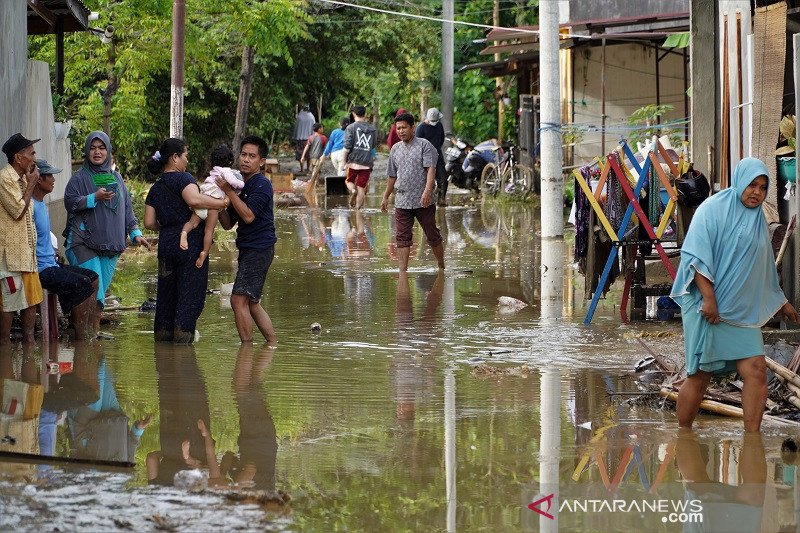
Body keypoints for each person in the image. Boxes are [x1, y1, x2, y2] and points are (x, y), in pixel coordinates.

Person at [670, 157, 800, 433]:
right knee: (700, 376)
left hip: (739, 311)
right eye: (752, 185)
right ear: (740, 181)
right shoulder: (712, 209)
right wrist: (708, 298)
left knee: (756, 371)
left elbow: (762, 266)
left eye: (763, 187)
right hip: (707, 306)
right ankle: (684, 437)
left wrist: (781, 301)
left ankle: (752, 440)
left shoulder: (757, 219)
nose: (757, 192)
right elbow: (695, 256)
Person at [63, 131, 150, 335]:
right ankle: (85, 340)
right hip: (82, 242)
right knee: (92, 293)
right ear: (86, 151)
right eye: (92, 148)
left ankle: (90, 339)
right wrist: (94, 197)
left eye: (101, 148)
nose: (97, 152)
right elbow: (70, 202)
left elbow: (126, 208)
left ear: (108, 151)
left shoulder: (116, 178)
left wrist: (135, 233)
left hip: (111, 245)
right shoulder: (79, 179)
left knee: (98, 298)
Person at [144, 138, 228, 343]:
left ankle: (163, 341)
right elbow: (194, 200)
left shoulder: (155, 188)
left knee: (166, 294)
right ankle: (182, 346)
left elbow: (149, 222)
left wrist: (169, 227)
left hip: (166, 243)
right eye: (185, 156)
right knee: (189, 295)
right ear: (174, 158)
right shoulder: (184, 179)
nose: (187, 161)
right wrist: (222, 202)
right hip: (189, 243)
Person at [217, 135, 278, 344]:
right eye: (243, 155)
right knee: (252, 302)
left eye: (252, 156)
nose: (246, 160)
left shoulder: (261, 184)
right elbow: (227, 223)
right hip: (249, 247)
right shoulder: (241, 186)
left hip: (259, 247)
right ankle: (271, 344)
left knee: (237, 299)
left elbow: (249, 216)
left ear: (261, 162)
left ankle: (247, 349)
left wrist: (228, 192)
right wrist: (216, 201)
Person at [32, 158, 99, 340]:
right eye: (50, 176)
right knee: (82, 284)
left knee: (93, 278)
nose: (53, 180)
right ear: (39, 179)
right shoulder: (30, 206)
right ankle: (79, 337)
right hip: (42, 269)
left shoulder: (41, 205)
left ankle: (86, 328)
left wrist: (53, 251)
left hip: (51, 264)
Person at [381, 112, 445, 272]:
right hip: (402, 201)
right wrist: (385, 197)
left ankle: (441, 265)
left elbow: (431, 169)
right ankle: (402, 271)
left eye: (404, 128)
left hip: (423, 201)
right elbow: (392, 176)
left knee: (432, 234)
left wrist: (427, 191)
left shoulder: (424, 145)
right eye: (398, 128)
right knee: (402, 237)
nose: (401, 131)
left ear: (413, 128)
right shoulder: (395, 149)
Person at [0, 133, 44, 345]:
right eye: (31, 153)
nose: (34, 158)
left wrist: (29, 182)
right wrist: (31, 184)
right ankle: (5, 356)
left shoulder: (24, 178)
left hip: (27, 254)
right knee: (9, 303)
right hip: (10, 257)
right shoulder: (5, 178)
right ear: (18, 158)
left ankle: (29, 354)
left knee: (32, 300)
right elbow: (18, 210)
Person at [179, 145, 244, 268]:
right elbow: (235, 183)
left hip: (203, 200)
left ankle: (184, 233)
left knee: (192, 223)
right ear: (230, 161)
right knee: (208, 231)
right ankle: (204, 252)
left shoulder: (213, 171)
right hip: (213, 205)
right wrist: (243, 184)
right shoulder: (226, 171)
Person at [343, 105, 377, 210]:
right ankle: (358, 209)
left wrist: (344, 162)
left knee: (348, 181)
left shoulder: (351, 127)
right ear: (365, 114)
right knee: (361, 187)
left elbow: (347, 147)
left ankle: (353, 191)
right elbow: (373, 145)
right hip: (367, 163)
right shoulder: (373, 129)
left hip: (353, 161)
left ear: (353, 114)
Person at [416, 108, 448, 206]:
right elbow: (417, 143)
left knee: (443, 179)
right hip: (425, 157)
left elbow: (441, 139)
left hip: (437, 155)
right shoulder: (421, 128)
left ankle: (441, 200)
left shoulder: (439, 126)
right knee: (426, 180)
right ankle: (425, 200)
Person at [300, 123, 327, 191]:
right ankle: (313, 186)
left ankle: (316, 184)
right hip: (319, 157)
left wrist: (303, 156)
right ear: (319, 129)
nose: (323, 129)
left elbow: (307, 147)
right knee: (315, 172)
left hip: (312, 157)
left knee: (316, 171)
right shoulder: (323, 138)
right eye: (322, 128)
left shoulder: (310, 137)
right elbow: (326, 148)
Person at [291, 105, 316, 173]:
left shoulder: (299, 117)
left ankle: (302, 169)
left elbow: (296, 128)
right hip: (309, 139)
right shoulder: (311, 117)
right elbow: (314, 128)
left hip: (300, 139)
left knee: (300, 154)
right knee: (308, 154)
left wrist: (294, 137)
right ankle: (308, 168)